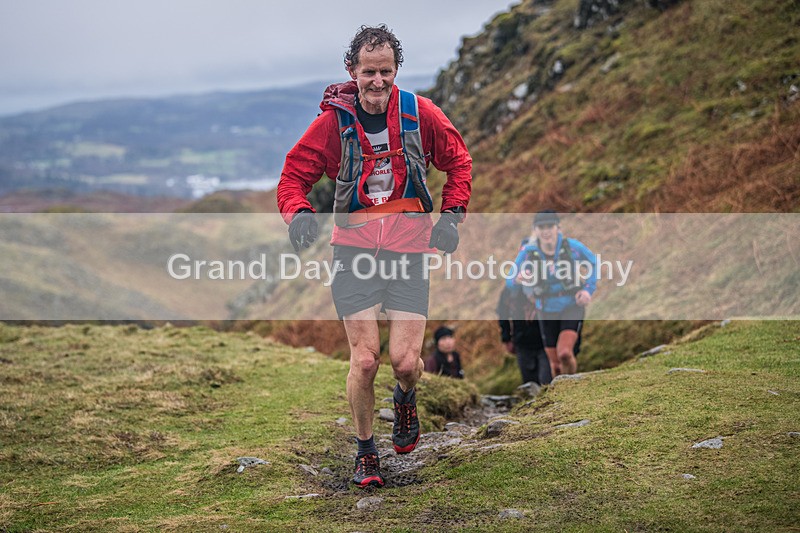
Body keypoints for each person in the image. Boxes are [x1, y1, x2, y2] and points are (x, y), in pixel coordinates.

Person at [277, 25, 472, 488]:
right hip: (354, 251)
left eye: (385, 71)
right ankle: (366, 451)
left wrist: (451, 216)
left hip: (409, 249)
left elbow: (458, 161)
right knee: (365, 360)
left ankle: (406, 397)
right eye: (369, 72)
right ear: (352, 71)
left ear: (396, 70)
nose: (377, 81)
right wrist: (298, 214)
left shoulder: (420, 114)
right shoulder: (333, 124)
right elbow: (292, 176)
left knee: (405, 362)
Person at [506, 210, 595, 378]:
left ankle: (571, 391)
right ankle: (561, 397)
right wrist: (518, 279)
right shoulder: (528, 252)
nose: (546, 231)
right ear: (535, 230)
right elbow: (509, 280)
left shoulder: (572, 247)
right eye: (541, 227)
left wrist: (587, 290)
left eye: (550, 226)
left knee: (565, 354)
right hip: (545, 309)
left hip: (571, 305)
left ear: (558, 228)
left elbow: (593, 263)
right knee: (555, 365)